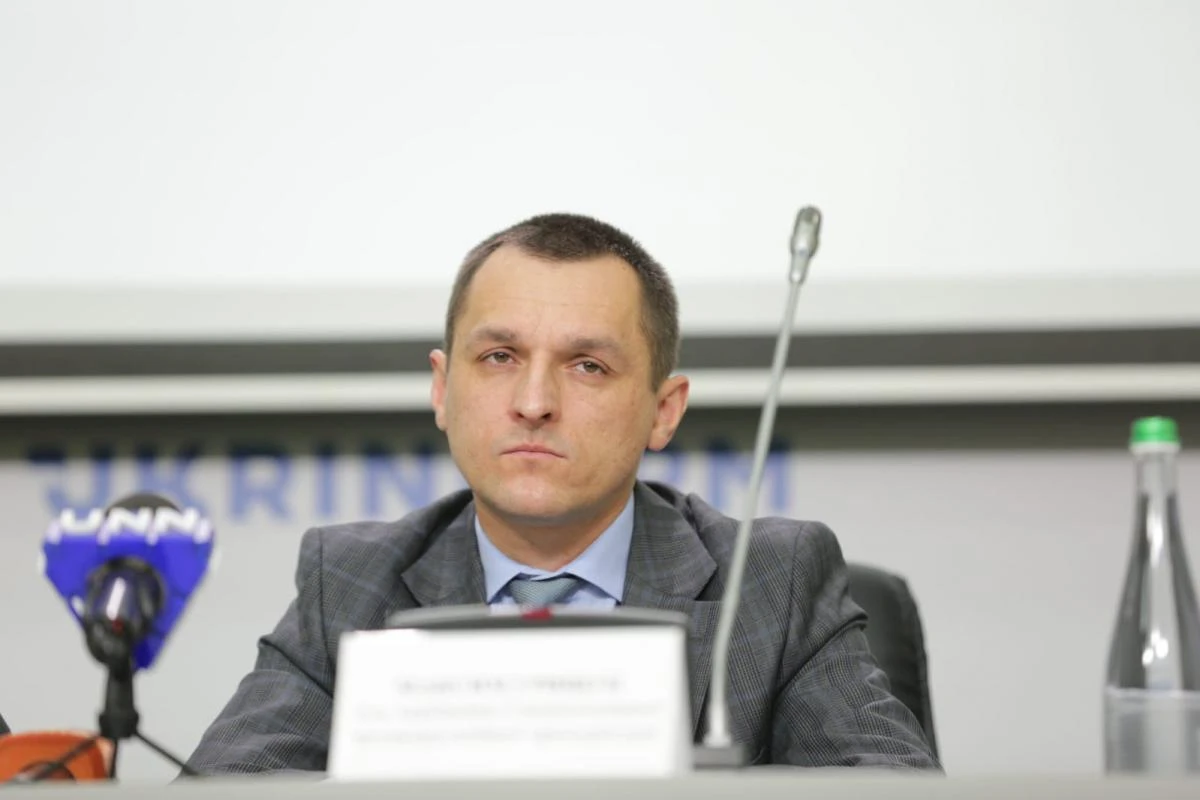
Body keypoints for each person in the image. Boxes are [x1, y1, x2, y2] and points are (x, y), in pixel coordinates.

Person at [185, 213, 940, 773]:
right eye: (500, 356)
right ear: (443, 389)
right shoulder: (351, 582)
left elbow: (887, 788)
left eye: (587, 367)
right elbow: (230, 788)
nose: (534, 402)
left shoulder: (773, 582)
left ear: (663, 410)